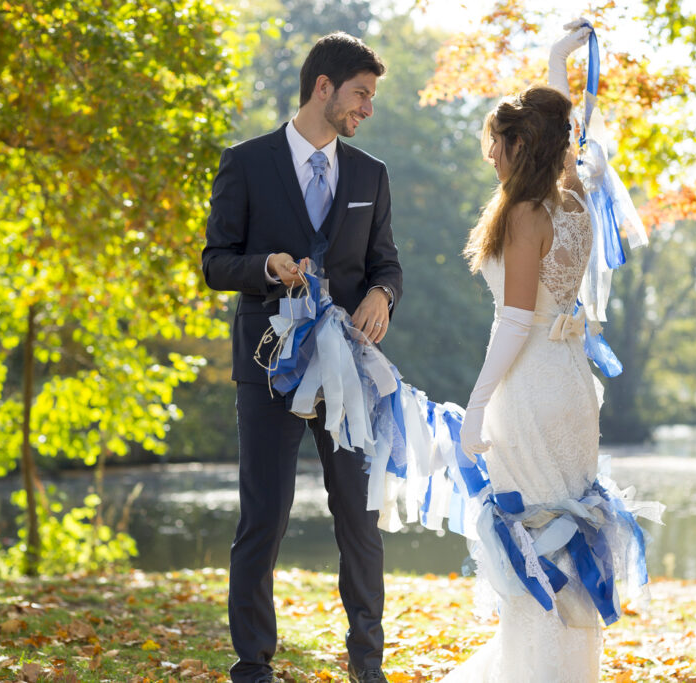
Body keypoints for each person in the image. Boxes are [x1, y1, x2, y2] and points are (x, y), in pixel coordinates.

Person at [201, 32, 402, 683]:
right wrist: (265, 266)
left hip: (348, 372)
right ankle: (253, 662)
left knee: (357, 516)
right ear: (324, 87)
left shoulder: (371, 173)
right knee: (264, 513)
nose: (367, 107)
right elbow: (215, 261)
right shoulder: (246, 162)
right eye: (361, 94)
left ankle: (366, 661)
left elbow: (388, 265)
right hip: (269, 367)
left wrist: (381, 293)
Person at [446, 21, 612, 682]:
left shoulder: (524, 215)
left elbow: (513, 325)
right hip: (572, 386)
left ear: (518, 145)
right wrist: (553, 63)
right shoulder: (572, 199)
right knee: (568, 542)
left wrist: (474, 407)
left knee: (536, 544)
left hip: (530, 388)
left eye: (496, 144)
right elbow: (562, 134)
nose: (491, 155)